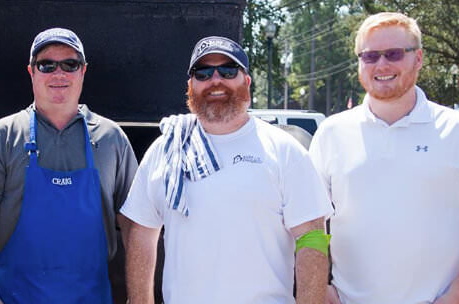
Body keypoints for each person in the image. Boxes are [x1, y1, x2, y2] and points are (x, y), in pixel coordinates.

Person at [309, 12, 459, 304]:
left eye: (394, 54)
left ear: (418, 59)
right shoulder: (331, 133)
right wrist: (322, 286)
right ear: (359, 64)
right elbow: (310, 222)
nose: (382, 64)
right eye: (370, 56)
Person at [121, 36, 332, 303]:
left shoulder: (283, 150)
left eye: (228, 71)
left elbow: (312, 236)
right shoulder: (166, 150)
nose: (215, 80)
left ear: (246, 81)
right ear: (190, 85)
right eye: (203, 73)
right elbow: (142, 232)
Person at [0, 27, 139, 303]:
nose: (59, 74)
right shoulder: (2, 136)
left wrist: (138, 296)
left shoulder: (111, 138)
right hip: (14, 297)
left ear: (83, 71)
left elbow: (134, 223)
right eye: (47, 65)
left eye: (70, 64)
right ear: (31, 72)